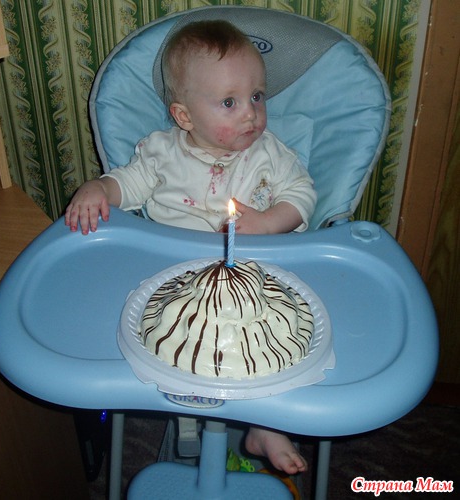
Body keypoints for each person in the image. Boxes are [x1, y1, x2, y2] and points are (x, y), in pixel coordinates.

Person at [65, 19, 315, 475]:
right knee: (172, 341)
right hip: (177, 283)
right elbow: (126, 185)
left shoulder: (269, 154)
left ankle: (263, 423)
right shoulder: (160, 154)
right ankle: (187, 413)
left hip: (253, 280)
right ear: (184, 116)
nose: (251, 114)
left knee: (271, 344)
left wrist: (268, 223)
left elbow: (302, 195)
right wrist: (98, 188)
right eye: (229, 102)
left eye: (257, 96)